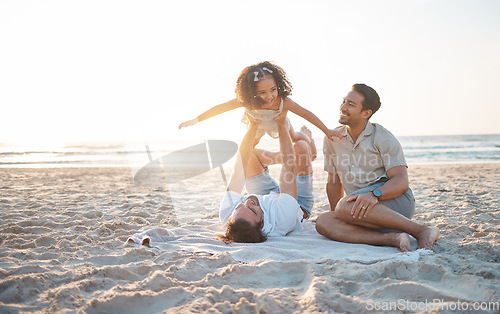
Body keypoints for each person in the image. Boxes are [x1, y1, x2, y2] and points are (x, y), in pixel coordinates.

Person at [315, 84, 439, 252]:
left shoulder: (383, 137)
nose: (343, 107)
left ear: (366, 113)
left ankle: (422, 230)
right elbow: (334, 182)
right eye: (344, 102)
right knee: (324, 222)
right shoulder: (332, 138)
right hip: (357, 208)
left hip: (393, 202)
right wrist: (337, 215)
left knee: (344, 205)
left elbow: (401, 181)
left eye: (351, 104)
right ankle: (392, 239)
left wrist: (374, 195)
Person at [178, 61, 341, 160]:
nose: (269, 96)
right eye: (262, 92)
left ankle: (309, 140)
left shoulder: (284, 102)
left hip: (278, 122)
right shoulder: (247, 102)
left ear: (278, 85)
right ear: (252, 93)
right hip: (257, 122)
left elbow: (306, 113)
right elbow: (222, 108)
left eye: (273, 89)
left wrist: (326, 130)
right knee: (251, 144)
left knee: (295, 137)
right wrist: (196, 120)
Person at [216, 110, 315, 243]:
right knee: (301, 147)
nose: (247, 201)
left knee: (249, 157)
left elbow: (240, 165)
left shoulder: (226, 212)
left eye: (239, 206)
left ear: (230, 216)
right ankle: (307, 142)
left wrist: (253, 124)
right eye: (252, 209)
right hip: (298, 203)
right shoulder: (284, 217)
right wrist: (282, 124)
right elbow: (288, 167)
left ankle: (289, 153)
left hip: (264, 195)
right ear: (262, 224)